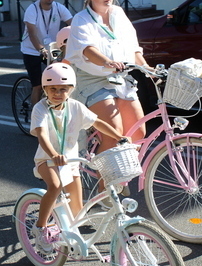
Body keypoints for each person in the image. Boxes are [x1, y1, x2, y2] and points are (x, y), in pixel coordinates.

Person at [30, 63, 128, 252]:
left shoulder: (76, 107)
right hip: (47, 159)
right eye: (52, 89)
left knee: (77, 208)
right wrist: (54, 155)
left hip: (70, 161)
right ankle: (39, 228)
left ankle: (66, 232)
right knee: (55, 185)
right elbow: (41, 135)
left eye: (63, 89)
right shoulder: (40, 109)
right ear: (45, 89)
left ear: (71, 89)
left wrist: (119, 137)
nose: (57, 93)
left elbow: (98, 122)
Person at [65, 0, 148, 202]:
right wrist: (107, 62)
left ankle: (118, 175)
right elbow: (87, 50)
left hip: (120, 76)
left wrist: (148, 69)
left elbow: (133, 48)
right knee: (113, 132)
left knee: (138, 131)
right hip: (92, 77)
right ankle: (105, 191)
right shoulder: (81, 18)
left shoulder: (119, 14)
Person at [21, 0, 72, 107]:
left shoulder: (59, 8)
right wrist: (41, 49)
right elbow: (32, 33)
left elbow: (74, 25)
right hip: (31, 50)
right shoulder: (32, 9)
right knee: (38, 85)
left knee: (58, 78)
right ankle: (35, 116)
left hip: (51, 49)